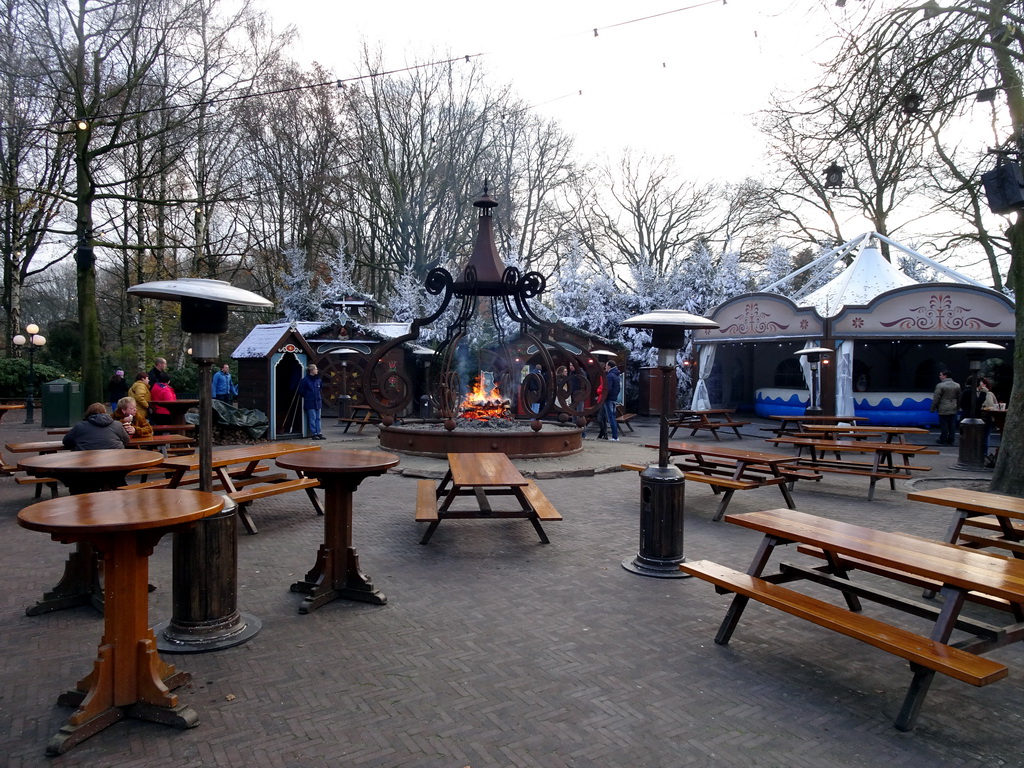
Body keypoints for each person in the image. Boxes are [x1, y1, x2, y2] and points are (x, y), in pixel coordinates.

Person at [62, 402, 129, 451]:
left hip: (87, 463)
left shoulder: (80, 426)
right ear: (105, 412)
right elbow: (126, 440)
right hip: (115, 462)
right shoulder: (117, 425)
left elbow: (66, 442)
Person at [930, 369, 960, 446]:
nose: (939, 376)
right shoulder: (957, 385)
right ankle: (951, 439)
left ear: (945, 376)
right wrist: (958, 407)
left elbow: (936, 398)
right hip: (953, 406)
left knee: (944, 424)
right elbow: (959, 397)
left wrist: (933, 408)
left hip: (943, 407)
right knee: (952, 425)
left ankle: (943, 439)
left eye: (941, 375)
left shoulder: (940, 385)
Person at [297, 362, 324, 440]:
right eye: (315, 369)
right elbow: (301, 391)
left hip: (317, 401)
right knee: (313, 418)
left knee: (318, 418)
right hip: (310, 401)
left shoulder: (318, 380)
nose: (317, 370)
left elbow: (320, 388)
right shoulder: (305, 380)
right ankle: (314, 433)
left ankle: (319, 432)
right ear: (311, 370)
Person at [603, 359, 621, 442]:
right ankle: (614, 436)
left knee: (611, 417)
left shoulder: (610, 376)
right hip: (613, 398)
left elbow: (608, 388)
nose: (605, 367)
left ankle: (615, 436)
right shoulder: (616, 375)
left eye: (606, 365)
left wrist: (603, 396)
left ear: (609, 366)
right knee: (612, 416)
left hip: (609, 399)